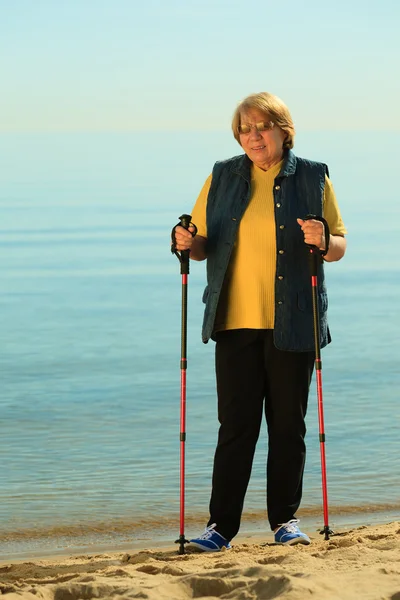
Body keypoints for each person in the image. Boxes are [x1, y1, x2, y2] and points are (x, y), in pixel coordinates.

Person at [172, 91, 347, 551]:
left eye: (262, 127)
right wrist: (185, 242)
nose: (253, 136)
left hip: (294, 321)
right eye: (245, 128)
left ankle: (284, 522)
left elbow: (339, 244)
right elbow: (201, 241)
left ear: (282, 131)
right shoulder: (222, 175)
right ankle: (220, 528)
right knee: (236, 427)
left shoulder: (313, 177)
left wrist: (325, 238)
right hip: (234, 320)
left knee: (288, 425)